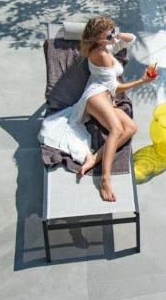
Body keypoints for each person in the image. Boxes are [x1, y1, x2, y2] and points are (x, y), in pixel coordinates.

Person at [38, 15, 154, 202]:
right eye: (107, 36)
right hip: (96, 96)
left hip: (105, 97)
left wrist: (115, 36)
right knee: (117, 130)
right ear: (97, 39)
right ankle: (105, 180)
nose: (112, 37)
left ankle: (93, 158)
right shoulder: (101, 55)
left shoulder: (105, 46)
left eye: (112, 32)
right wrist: (142, 80)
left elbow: (131, 38)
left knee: (131, 128)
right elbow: (115, 88)